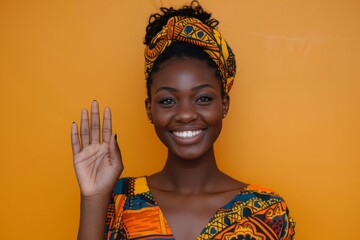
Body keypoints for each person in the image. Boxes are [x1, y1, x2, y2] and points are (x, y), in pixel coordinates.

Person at [71, 1, 296, 239]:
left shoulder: (268, 212)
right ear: (150, 110)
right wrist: (93, 198)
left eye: (203, 98)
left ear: (224, 104)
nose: (186, 114)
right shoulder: (118, 200)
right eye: (168, 101)